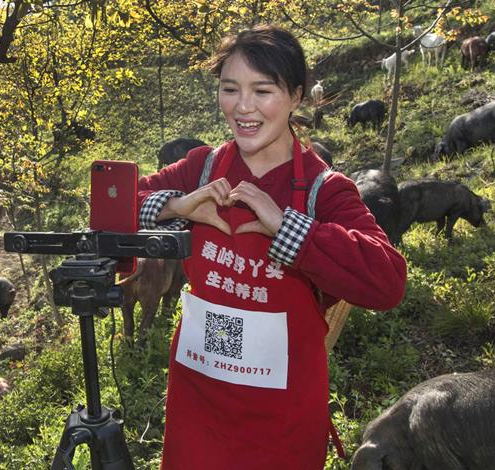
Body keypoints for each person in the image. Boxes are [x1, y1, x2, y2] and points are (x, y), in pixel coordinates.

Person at [137, 25, 407, 469]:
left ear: (296, 96)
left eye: (262, 90)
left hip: (282, 415)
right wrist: (177, 205)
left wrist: (289, 229)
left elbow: (387, 280)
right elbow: (110, 205)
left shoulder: (324, 190)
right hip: (198, 401)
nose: (243, 107)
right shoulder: (201, 169)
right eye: (230, 89)